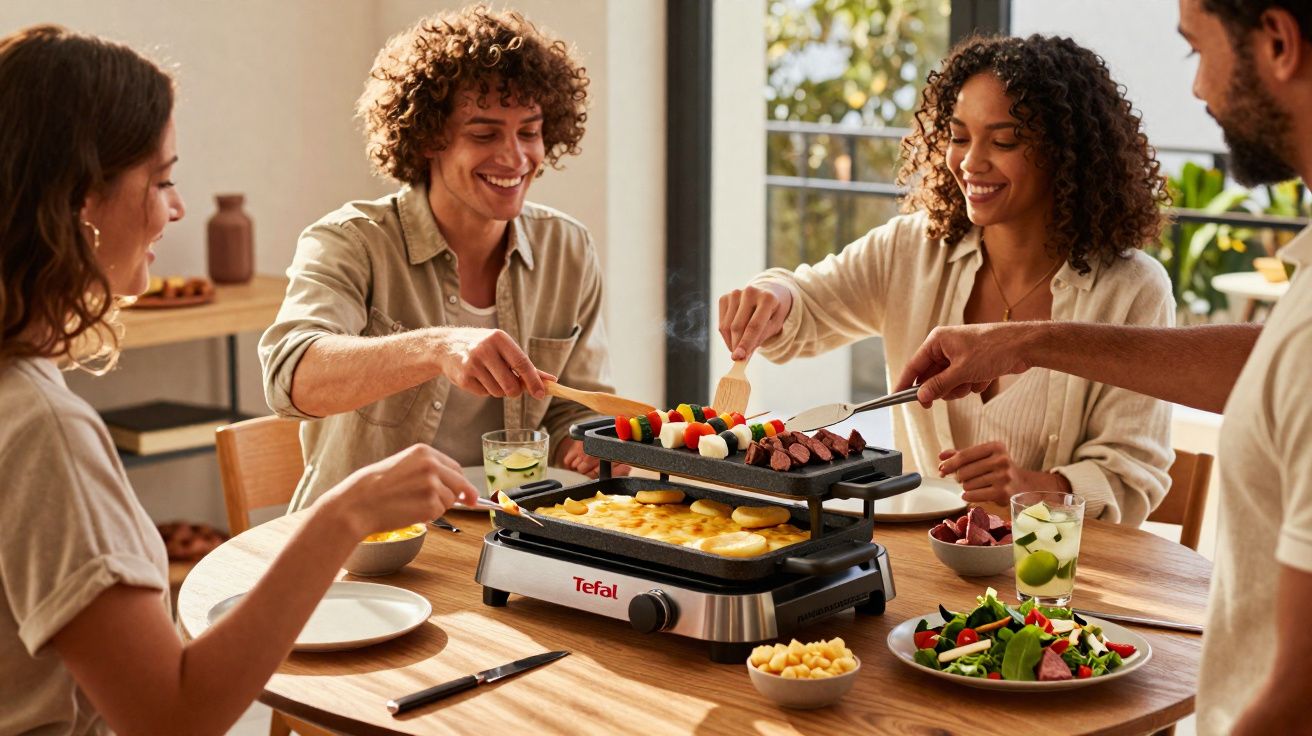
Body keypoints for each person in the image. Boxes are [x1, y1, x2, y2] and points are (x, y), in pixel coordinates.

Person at [0, 25, 476, 735]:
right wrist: (341, 514)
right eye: (160, 181)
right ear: (80, 203)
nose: (177, 207)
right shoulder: (45, 429)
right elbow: (174, 716)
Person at [896, 1, 1312, 732]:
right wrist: (1022, 342)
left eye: (1195, 51)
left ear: (1277, 41)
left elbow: (1299, 693)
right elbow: (1279, 358)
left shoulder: (1142, 283)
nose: (1197, 91)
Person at [719, 34, 1174, 524]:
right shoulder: (910, 250)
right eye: (959, 137)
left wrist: (1032, 487)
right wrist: (774, 295)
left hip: (1052, 583)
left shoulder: (1133, 291)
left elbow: (1130, 475)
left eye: (1004, 141)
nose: (971, 162)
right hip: (915, 564)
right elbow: (807, 302)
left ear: (1068, 155)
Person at [259, 5, 624, 511]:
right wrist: (438, 347)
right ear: (429, 137)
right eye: (484, 134)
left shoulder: (568, 247)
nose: (516, 158)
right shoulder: (349, 241)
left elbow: (570, 409)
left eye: (529, 132)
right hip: (366, 542)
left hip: (513, 526)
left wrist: (579, 446)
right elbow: (289, 378)